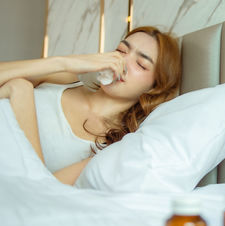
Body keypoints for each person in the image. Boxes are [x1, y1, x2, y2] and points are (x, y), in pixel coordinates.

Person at [0, 26, 182, 185]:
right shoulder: (65, 80)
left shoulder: (113, 146)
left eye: (141, 64)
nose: (122, 62)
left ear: (155, 87)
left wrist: (20, 93)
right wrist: (62, 63)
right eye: (121, 51)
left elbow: (42, 188)